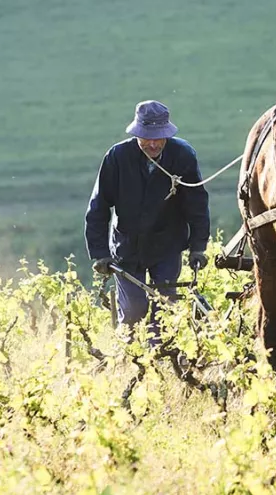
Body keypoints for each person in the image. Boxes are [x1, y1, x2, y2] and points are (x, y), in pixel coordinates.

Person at [85, 100, 210, 345]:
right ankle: (127, 359)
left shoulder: (183, 156)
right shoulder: (117, 157)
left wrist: (198, 247)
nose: (152, 143)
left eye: (158, 137)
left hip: (167, 244)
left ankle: (159, 364)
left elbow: (197, 204)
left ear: (167, 134)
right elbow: (98, 207)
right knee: (133, 310)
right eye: (146, 137)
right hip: (127, 245)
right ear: (136, 133)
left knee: (164, 310)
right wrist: (100, 253)